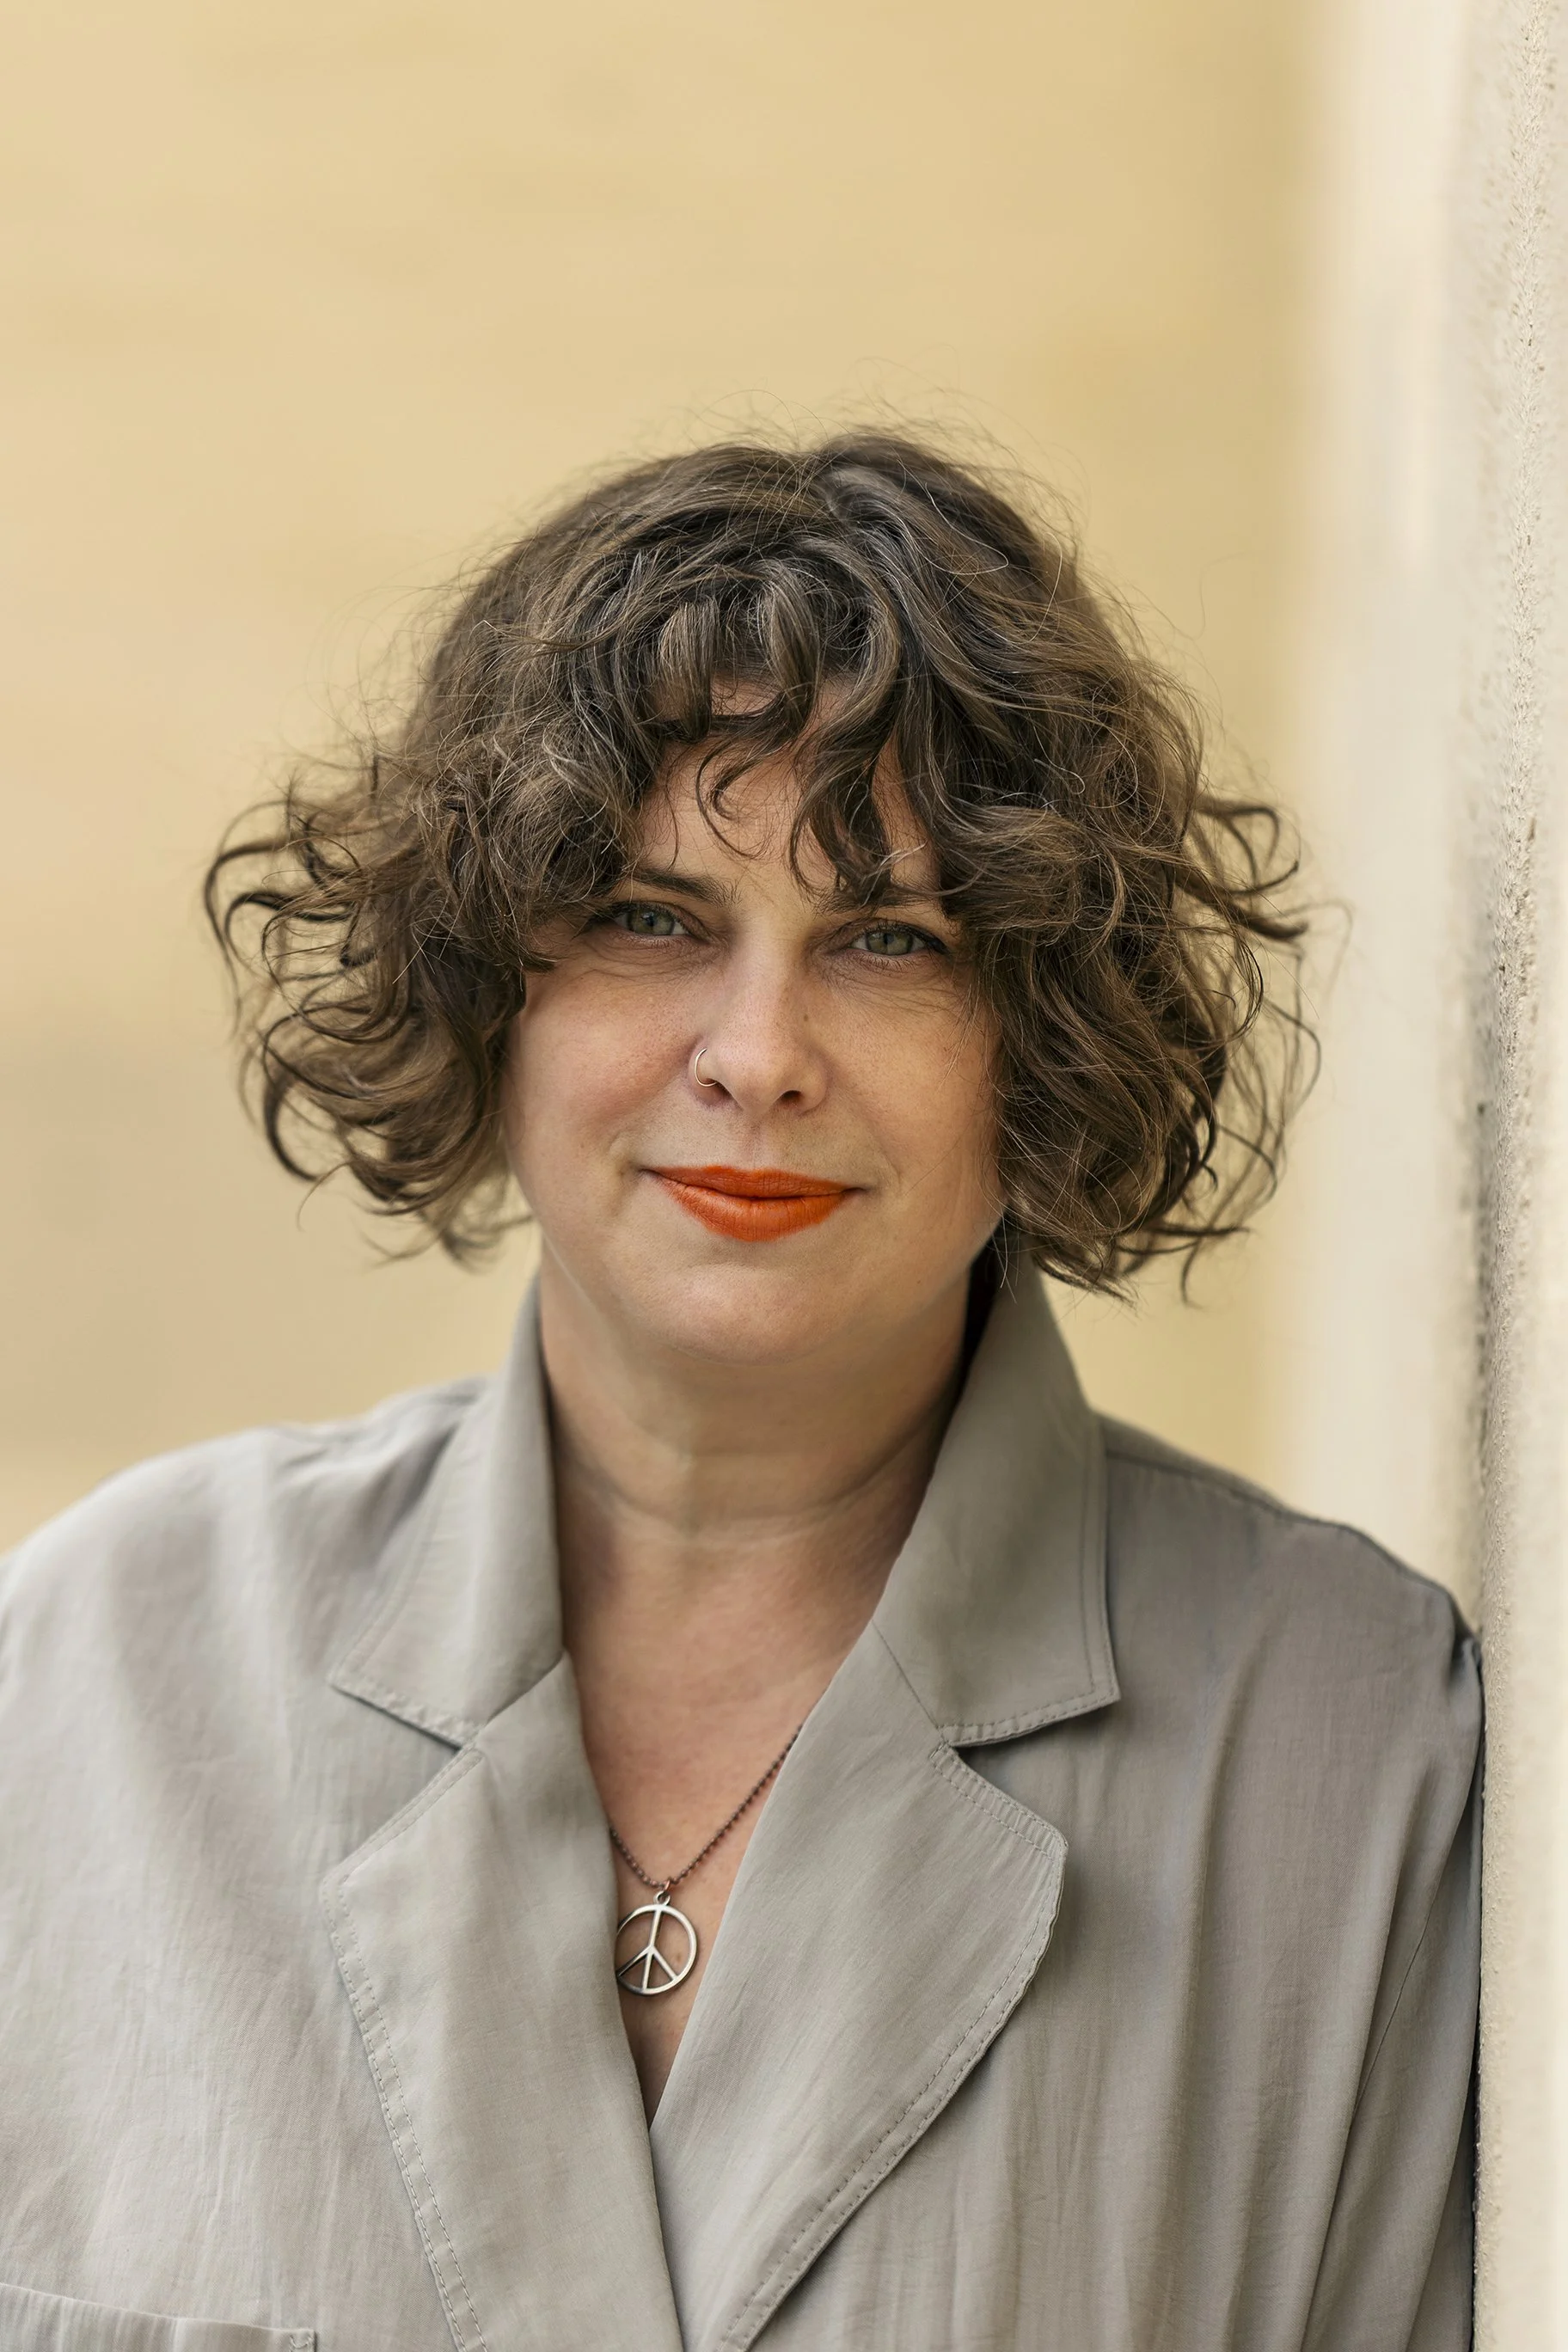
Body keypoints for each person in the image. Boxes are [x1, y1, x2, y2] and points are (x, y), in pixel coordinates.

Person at [0, 435, 1479, 2352]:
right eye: (652, 919)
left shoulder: (1356, 1751)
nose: (759, 1054)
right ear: (487, 991)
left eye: (891, 940)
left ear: (1043, 1040)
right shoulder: (92, 1673)